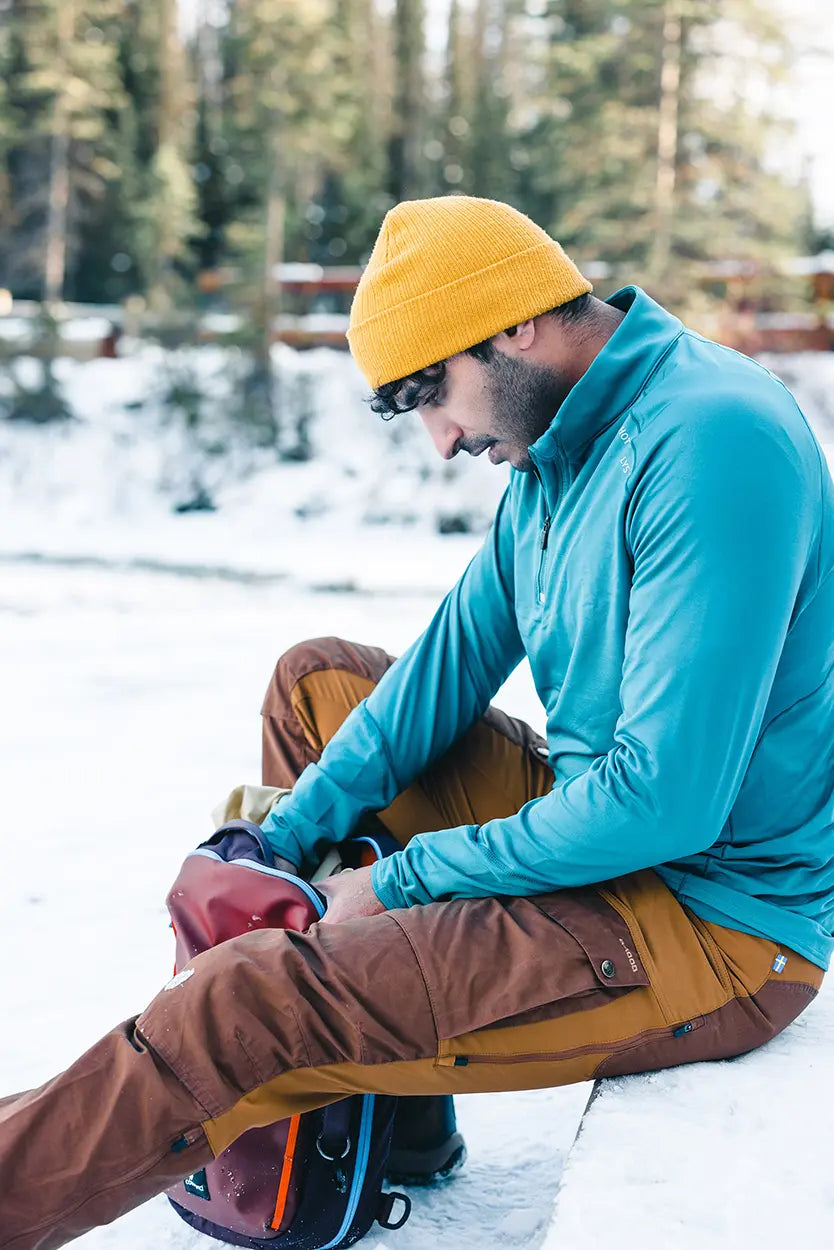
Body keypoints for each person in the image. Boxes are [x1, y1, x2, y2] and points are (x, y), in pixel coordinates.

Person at [2, 196, 833, 1250]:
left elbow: (666, 800)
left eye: (433, 390)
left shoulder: (712, 442)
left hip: (710, 924)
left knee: (245, 1000)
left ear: (519, 322)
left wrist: (397, 881)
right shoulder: (554, 450)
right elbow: (440, 674)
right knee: (320, 685)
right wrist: (281, 838)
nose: (441, 439)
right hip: (608, 833)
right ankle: (392, 1132)